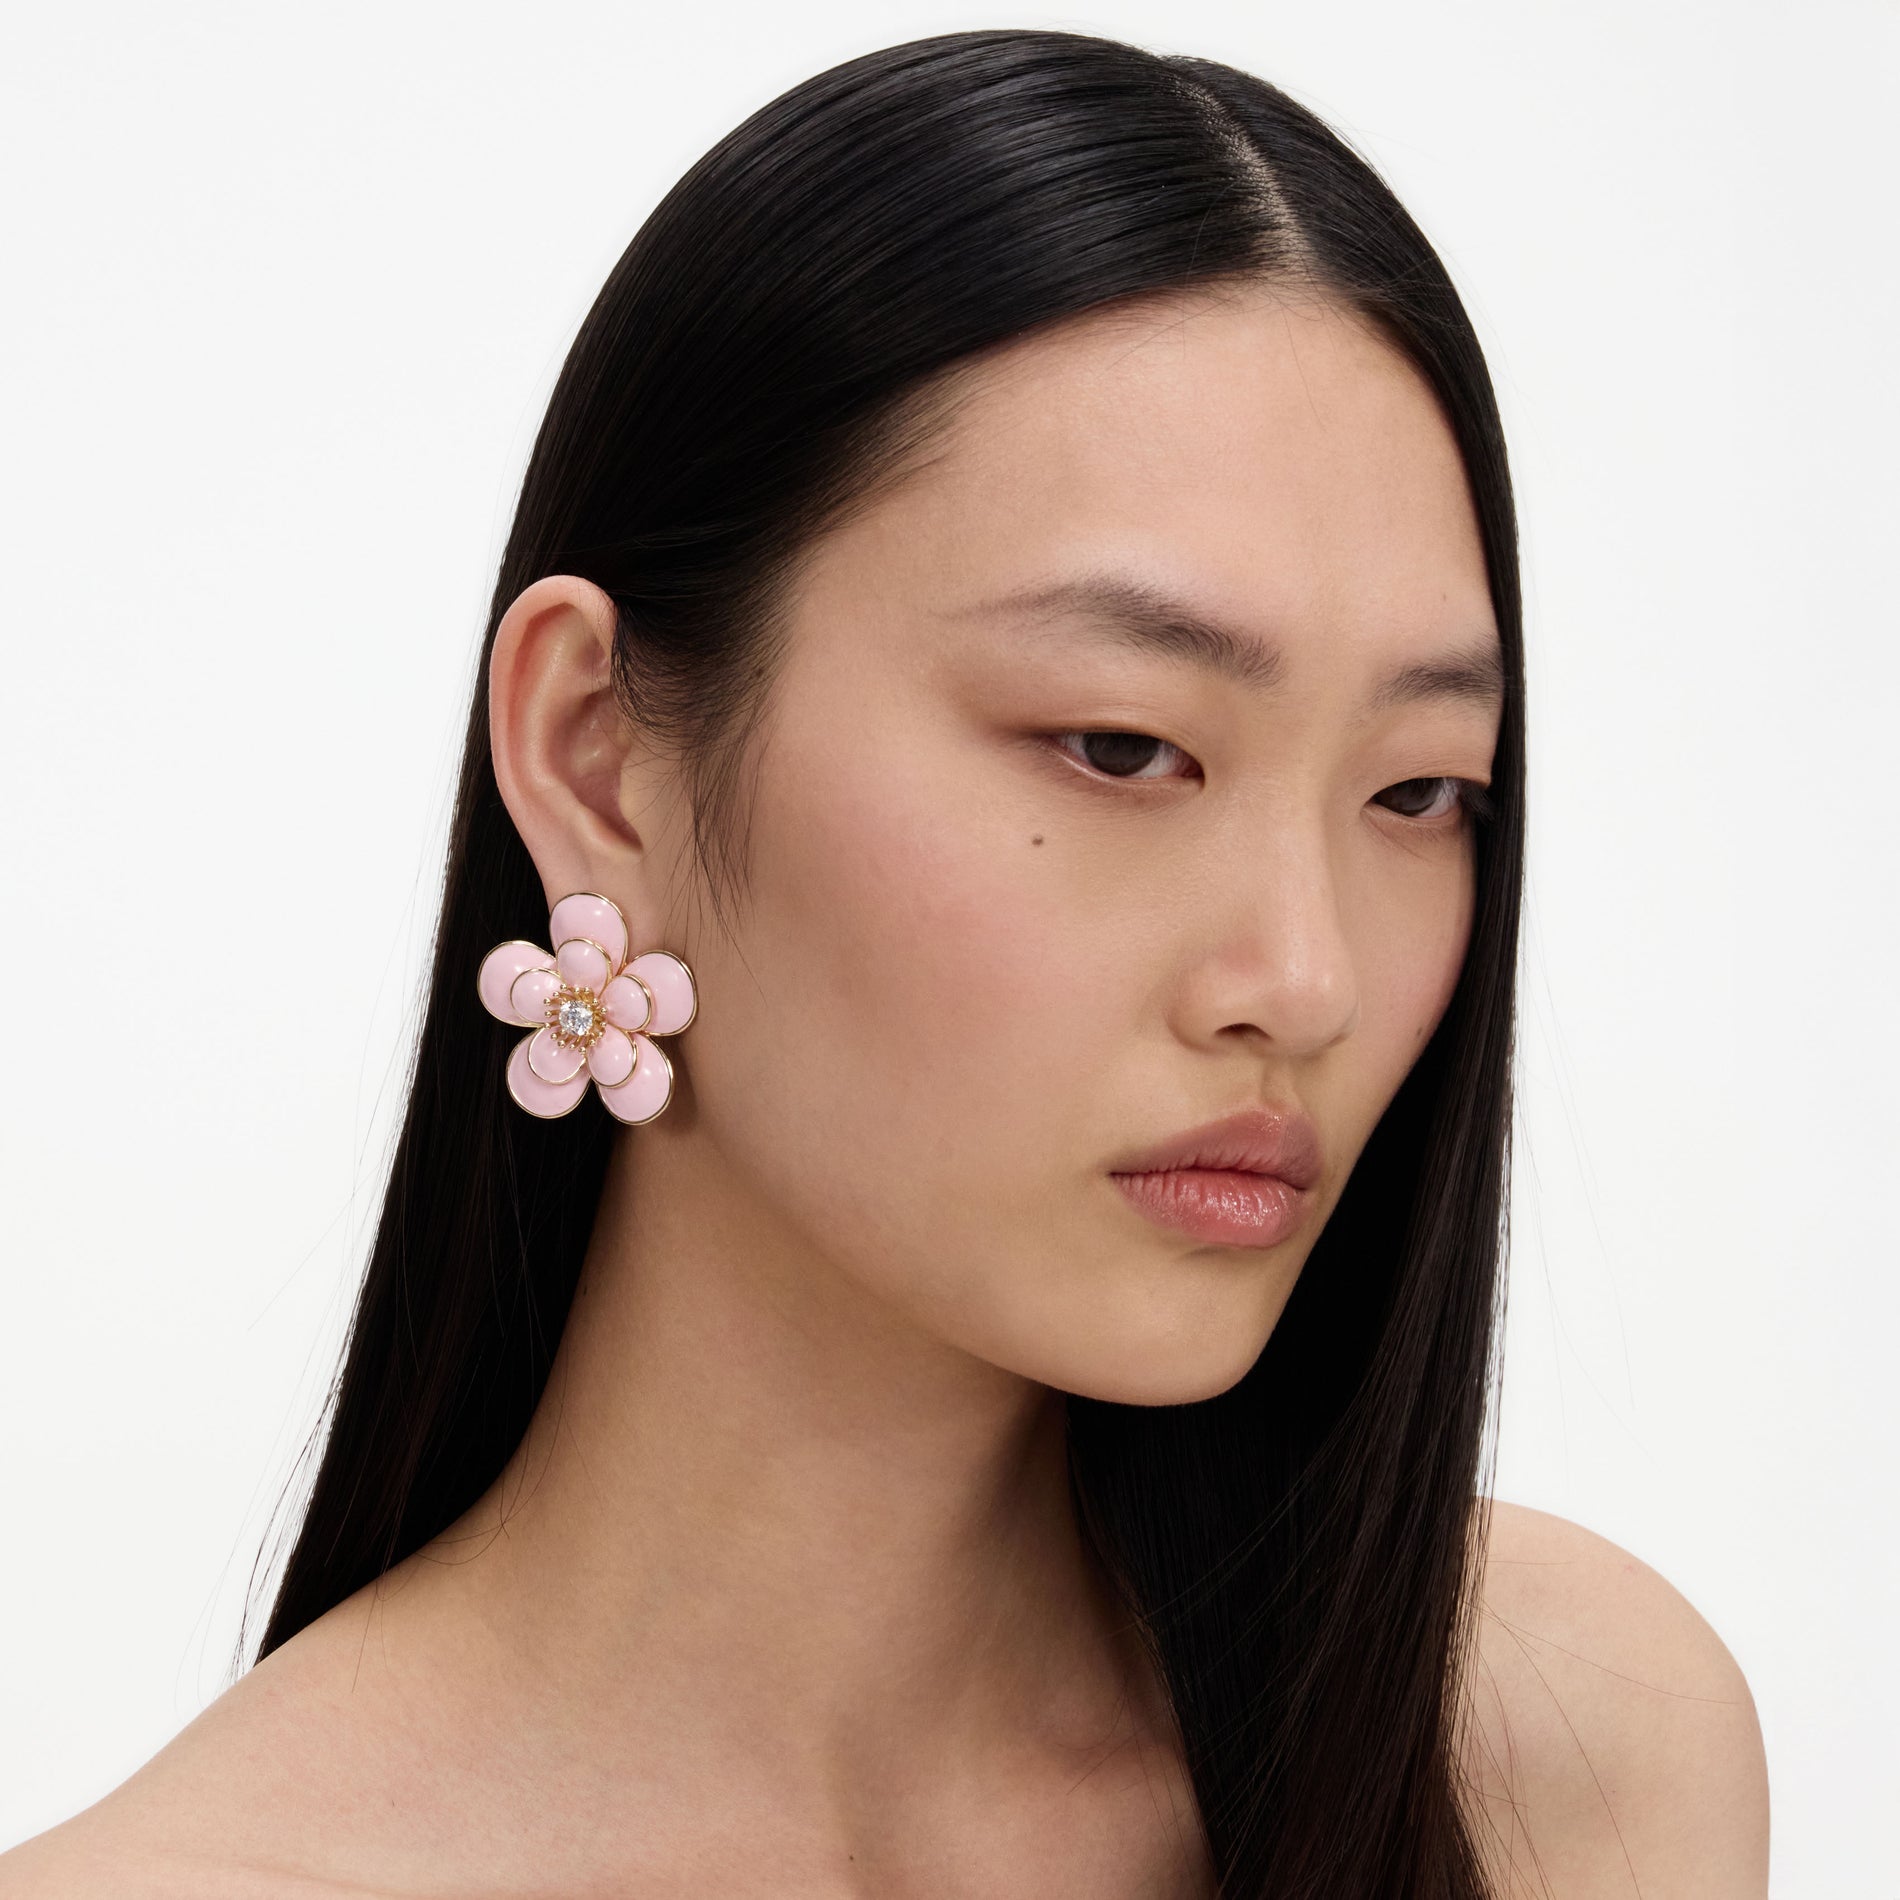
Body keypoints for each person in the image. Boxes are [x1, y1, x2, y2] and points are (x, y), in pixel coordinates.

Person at [0, 29, 1769, 1897]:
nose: (1305, 978)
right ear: (599, 756)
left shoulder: (1562, 1760)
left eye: (1420, 791)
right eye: (1118, 746)